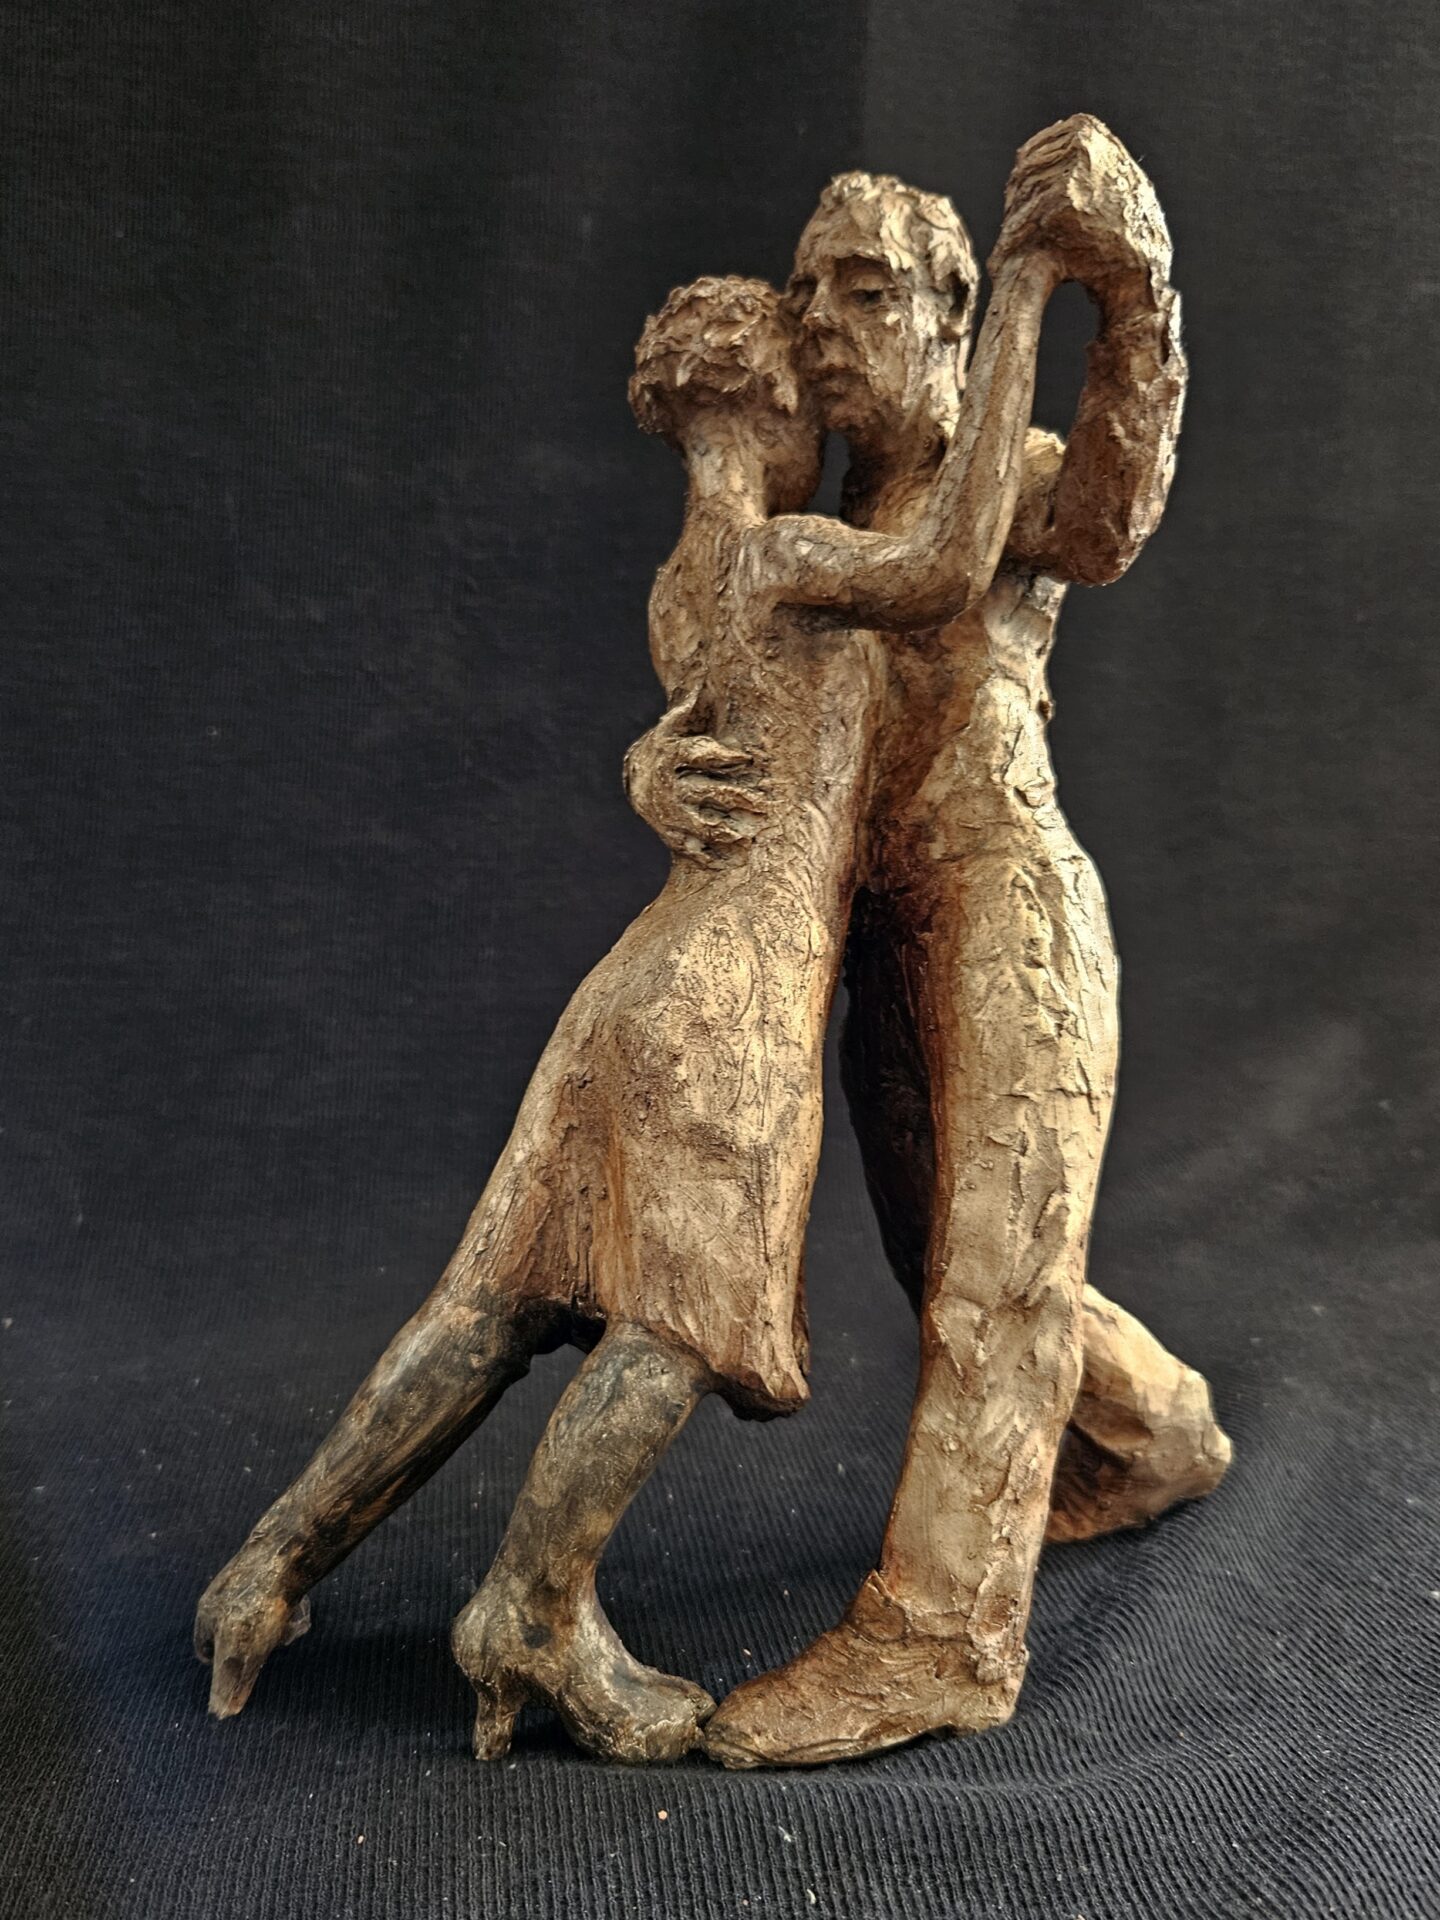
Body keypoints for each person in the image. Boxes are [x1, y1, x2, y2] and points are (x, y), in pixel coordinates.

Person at [194, 164, 1071, 1763]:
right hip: (733, 996)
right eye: (803, 366)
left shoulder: (683, 587)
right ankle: (533, 1608)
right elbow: (953, 564)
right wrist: (1023, 295)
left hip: (635, 978)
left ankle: (265, 1573)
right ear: (767, 409)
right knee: (671, 1324)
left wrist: (644, 766)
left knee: (491, 1303)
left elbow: (710, 735)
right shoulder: (784, 554)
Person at [630, 118, 1232, 1768]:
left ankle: (944, 1635)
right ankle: (1155, 1431)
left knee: (991, 1272)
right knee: (956, 1260)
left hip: (1009, 909)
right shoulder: (823, 515)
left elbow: (1108, 521)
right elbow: (722, 691)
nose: (825, 325)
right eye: (811, 294)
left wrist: (1134, 290)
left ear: (955, 314)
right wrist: (655, 769)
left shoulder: (1006, 473)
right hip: (886, 929)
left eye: (868, 291)